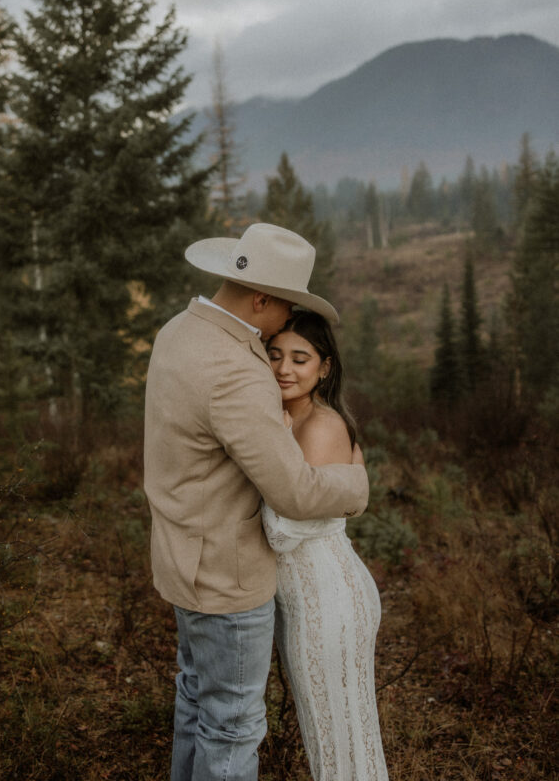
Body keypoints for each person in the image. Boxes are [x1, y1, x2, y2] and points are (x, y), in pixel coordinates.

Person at [144, 222, 370, 781]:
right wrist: (356, 484)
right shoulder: (235, 370)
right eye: (286, 307)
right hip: (227, 577)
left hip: (180, 558)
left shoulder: (178, 330)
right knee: (233, 726)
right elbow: (294, 491)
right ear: (263, 298)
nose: (286, 322)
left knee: (196, 701)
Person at [262, 310, 389, 781]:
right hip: (303, 598)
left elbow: (281, 530)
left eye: (300, 358)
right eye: (275, 355)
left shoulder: (321, 427)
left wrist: (271, 438)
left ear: (325, 367)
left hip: (329, 598)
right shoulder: (282, 420)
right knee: (334, 741)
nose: (284, 369)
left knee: (340, 742)